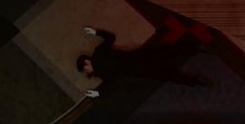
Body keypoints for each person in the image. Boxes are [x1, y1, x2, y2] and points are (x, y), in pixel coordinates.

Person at [77, 27, 208, 98]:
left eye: (85, 69)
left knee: (168, 74)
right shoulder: (99, 51)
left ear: (86, 63)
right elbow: (110, 37)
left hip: (138, 70)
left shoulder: (102, 73)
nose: (87, 71)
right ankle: (195, 47)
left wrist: (96, 93)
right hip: (139, 56)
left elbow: (111, 86)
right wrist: (95, 32)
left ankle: (195, 81)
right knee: (169, 52)